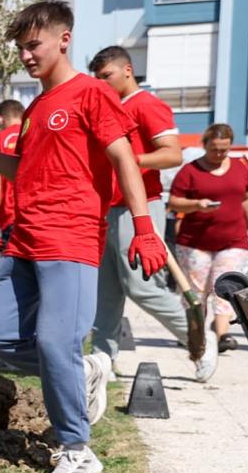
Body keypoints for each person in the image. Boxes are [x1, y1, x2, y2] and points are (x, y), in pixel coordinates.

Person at [0, 0, 163, 473]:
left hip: (71, 235)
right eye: (21, 48)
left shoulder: (92, 93)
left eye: (34, 45)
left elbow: (125, 159)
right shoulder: (36, 108)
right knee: (2, 337)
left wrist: (144, 225)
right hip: (23, 238)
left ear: (63, 39)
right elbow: (23, 168)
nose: (26, 55)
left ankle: (77, 448)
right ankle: (85, 367)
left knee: (54, 341)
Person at [83, 46, 201, 375]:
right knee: (104, 293)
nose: (102, 83)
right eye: (98, 78)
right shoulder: (108, 107)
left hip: (141, 207)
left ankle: (199, 340)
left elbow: (173, 155)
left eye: (107, 76)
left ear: (128, 70)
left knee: (142, 287)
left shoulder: (146, 104)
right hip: (108, 208)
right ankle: (103, 361)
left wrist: (129, 160)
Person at [169, 123, 248, 346]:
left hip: (233, 240)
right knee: (197, 291)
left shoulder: (240, 167)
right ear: (204, 145)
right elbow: (174, 202)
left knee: (225, 285)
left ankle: (222, 334)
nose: (219, 153)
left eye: (224, 149)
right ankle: (196, 335)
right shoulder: (190, 171)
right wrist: (197, 204)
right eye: (214, 149)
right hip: (195, 243)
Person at [0, 100, 25, 254]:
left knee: (15, 273)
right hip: (38, 213)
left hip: (11, 217)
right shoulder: (35, 133)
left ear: (0, 119)